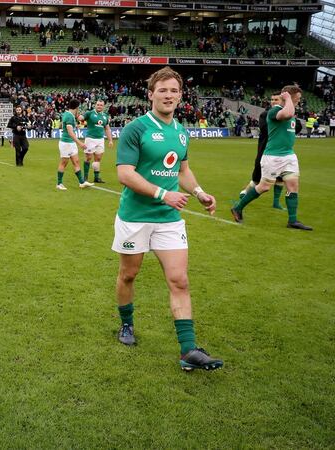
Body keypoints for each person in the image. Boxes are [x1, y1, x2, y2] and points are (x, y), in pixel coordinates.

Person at [112, 66, 223, 371]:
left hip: (168, 218)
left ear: (180, 96)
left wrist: (199, 192)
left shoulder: (181, 132)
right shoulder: (136, 128)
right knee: (128, 275)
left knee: (179, 280)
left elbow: (182, 171)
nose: (169, 95)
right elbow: (125, 174)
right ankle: (126, 324)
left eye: (174, 90)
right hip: (135, 217)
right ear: (151, 94)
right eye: (163, 90)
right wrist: (163, 194)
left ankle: (188, 351)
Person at [231, 85, 312, 231]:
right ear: (289, 96)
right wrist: (287, 99)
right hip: (273, 157)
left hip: (289, 156)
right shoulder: (275, 111)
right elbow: (287, 114)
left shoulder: (290, 111)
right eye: (297, 98)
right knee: (264, 187)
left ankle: (292, 220)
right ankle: (238, 207)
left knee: (293, 186)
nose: (299, 101)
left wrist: (289, 101)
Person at [238, 93, 285, 210]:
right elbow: (266, 129)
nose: (273, 102)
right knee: (257, 178)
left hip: (281, 152)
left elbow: (296, 127)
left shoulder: (287, 114)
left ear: (283, 101)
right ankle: (244, 193)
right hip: (265, 151)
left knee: (280, 178)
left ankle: (276, 203)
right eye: (272, 99)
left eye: (276, 99)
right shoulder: (265, 114)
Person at [56, 99, 93, 190]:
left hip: (71, 143)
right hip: (66, 143)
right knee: (64, 163)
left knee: (76, 161)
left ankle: (82, 182)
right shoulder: (69, 116)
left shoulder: (69, 115)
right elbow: (70, 132)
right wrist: (80, 143)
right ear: (77, 107)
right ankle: (59, 184)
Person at [81, 99, 114, 183]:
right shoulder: (89, 113)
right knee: (88, 157)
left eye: (101, 105)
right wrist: (80, 118)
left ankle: (96, 177)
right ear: (95, 105)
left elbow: (107, 129)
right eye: (98, 104)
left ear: (104, 106)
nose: (99, 106)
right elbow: (82, 119)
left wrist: (110, 140)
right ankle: (85, 177)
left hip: (100, 139)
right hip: (90, 139)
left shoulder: (105, 116)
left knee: (98, 158)